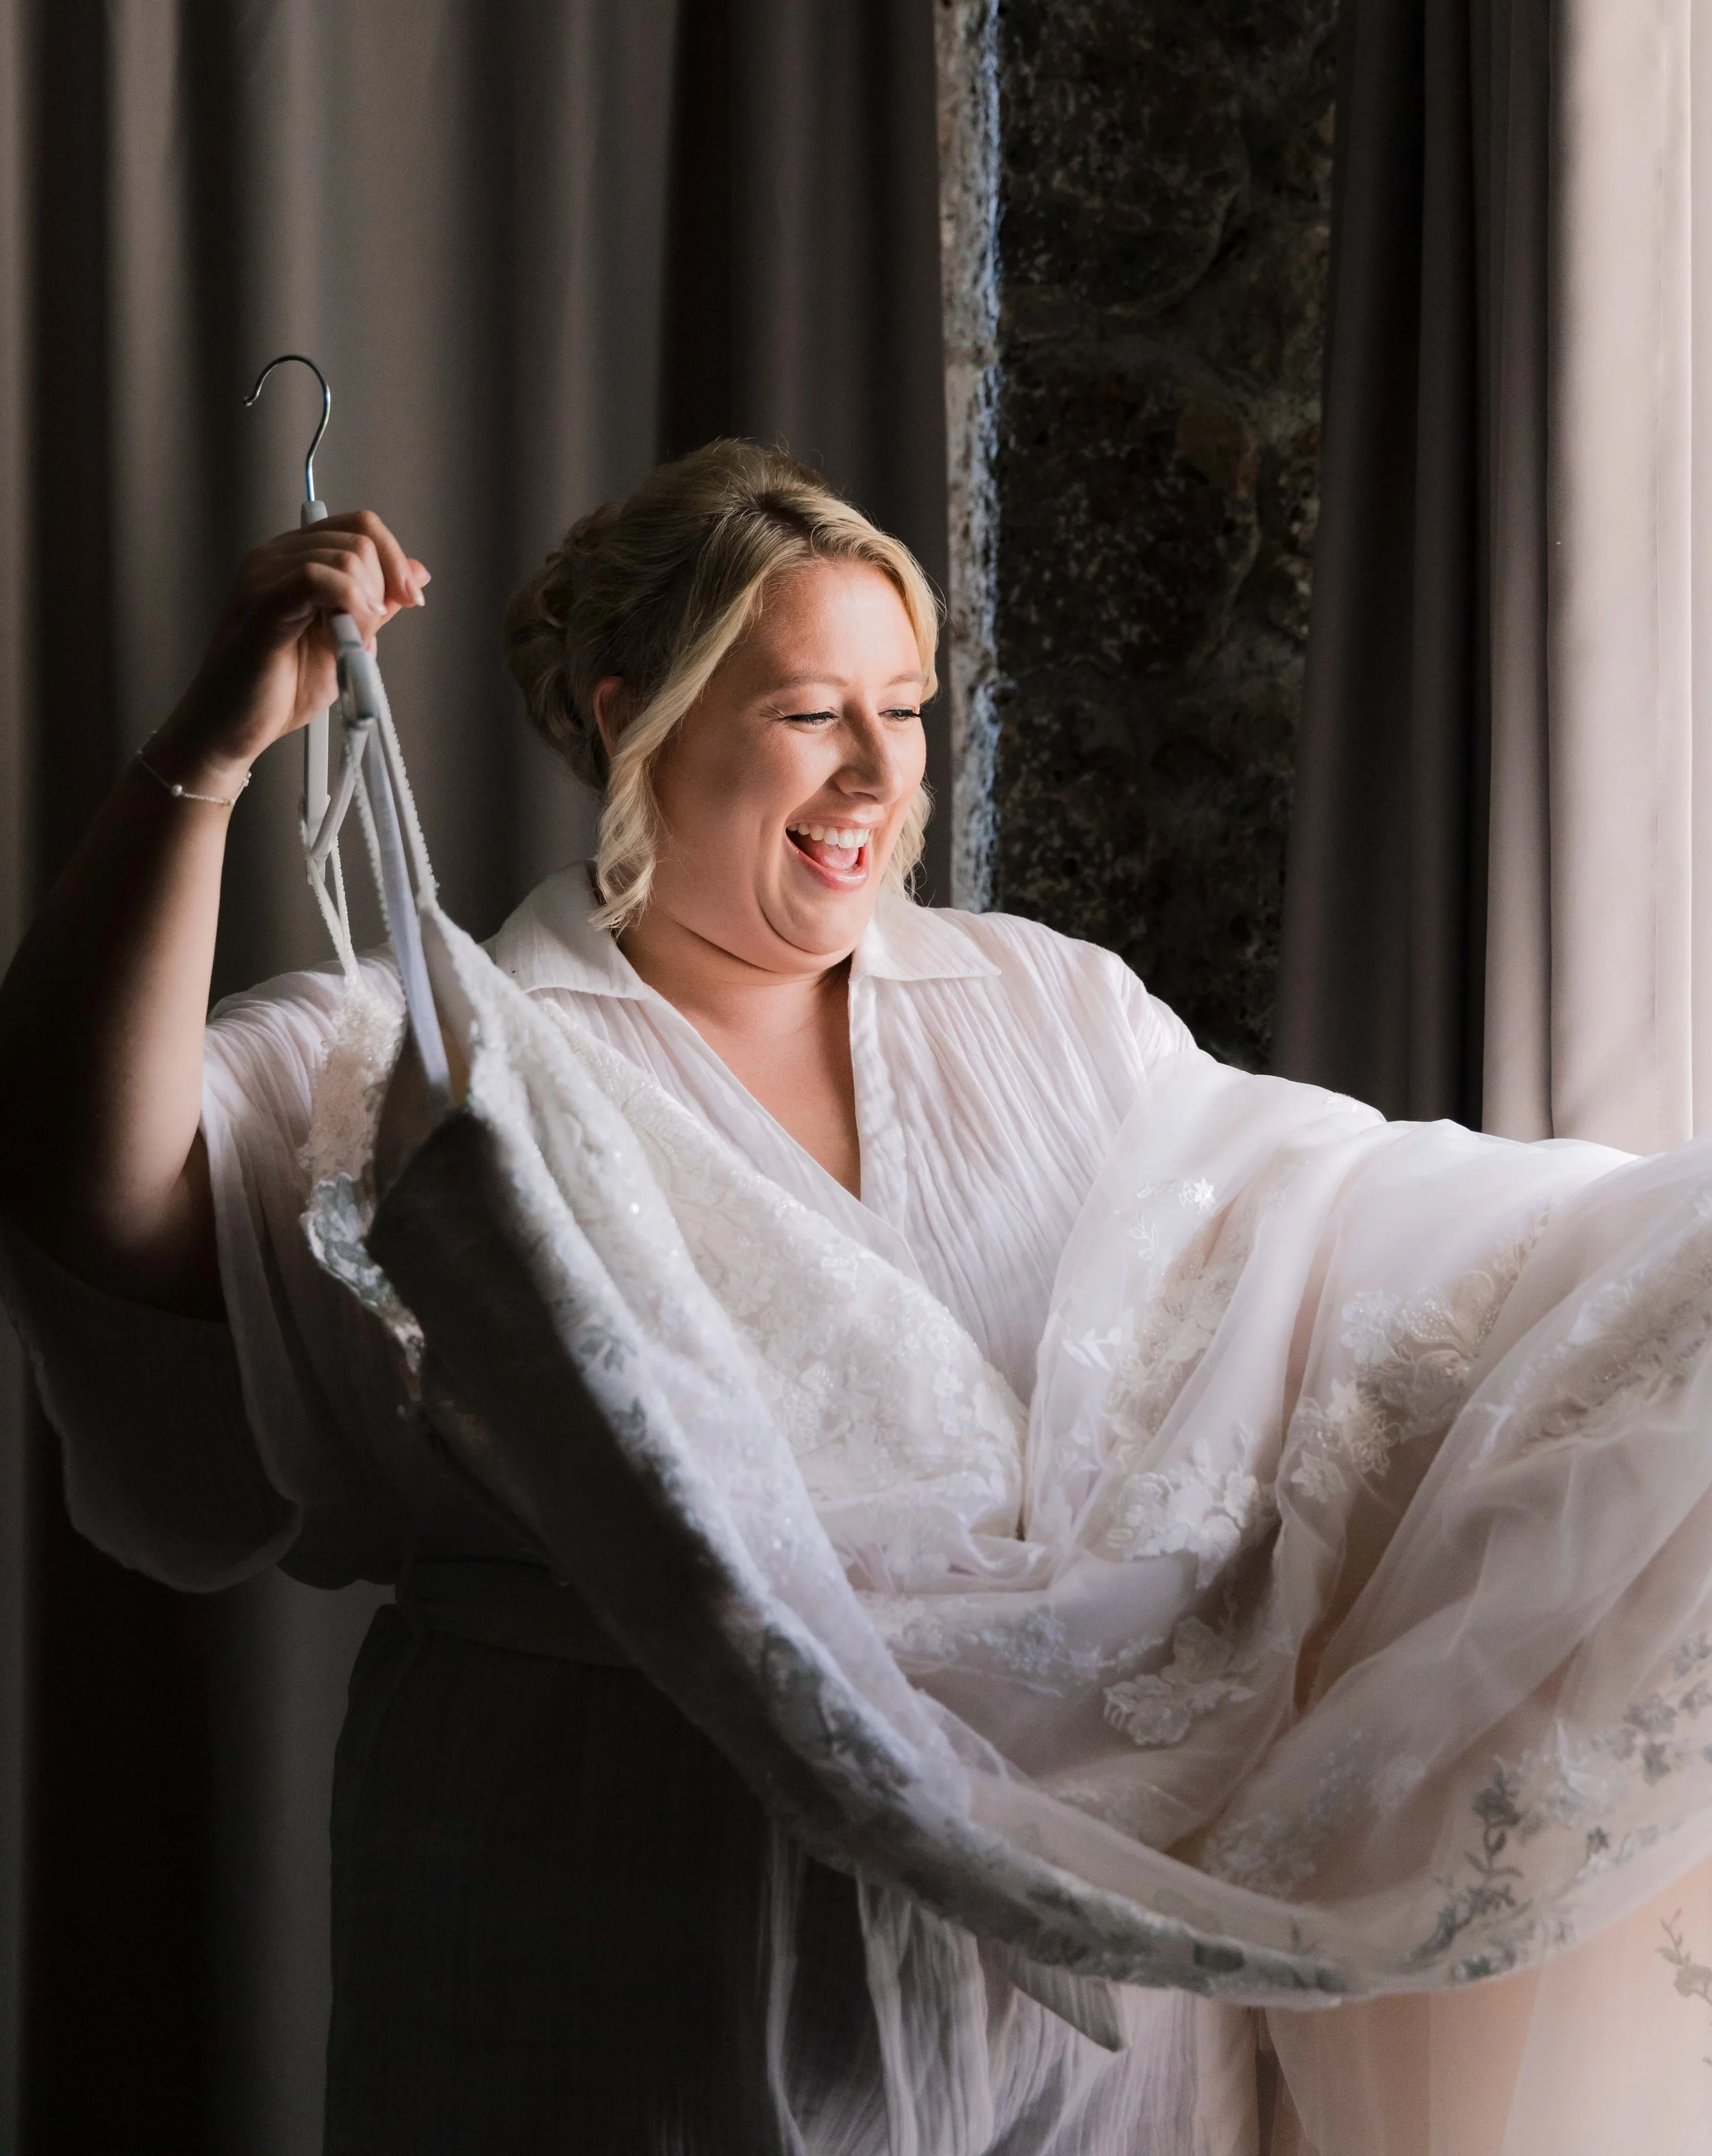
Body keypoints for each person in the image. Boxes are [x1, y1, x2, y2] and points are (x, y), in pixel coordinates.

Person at [4, 441, 1712, 2156]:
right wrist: (209, 764)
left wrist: (1666, 1276)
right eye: (812, 711)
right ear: (632, 719)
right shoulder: (429, 1058)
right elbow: (99, 1191)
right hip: (624, 1920)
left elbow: (1342, 1238)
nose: (876, 776)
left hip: (1072, 1946)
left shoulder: (1045, 1008)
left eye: (904, 710)